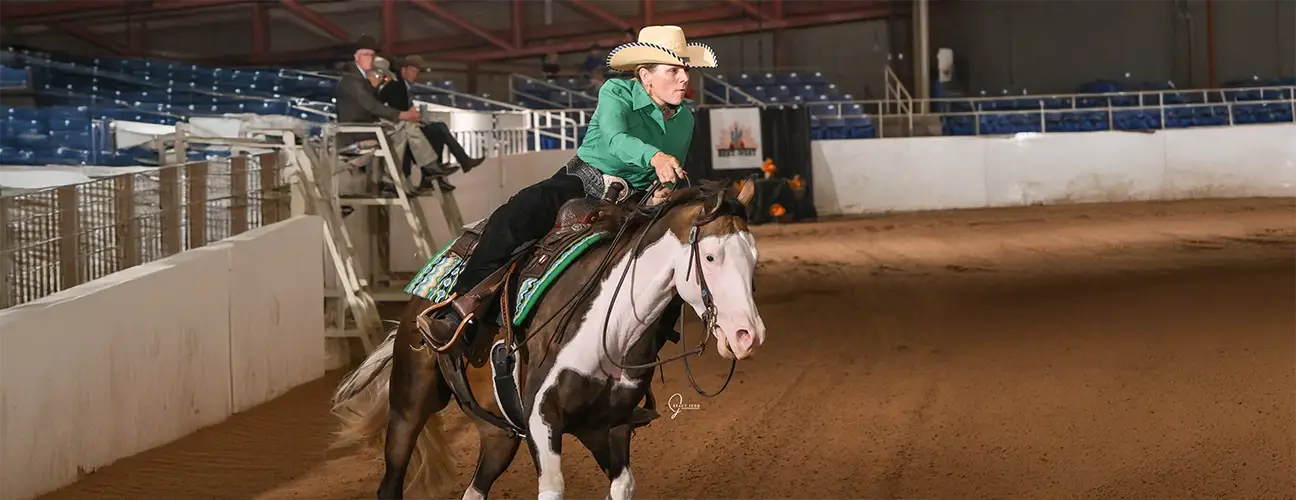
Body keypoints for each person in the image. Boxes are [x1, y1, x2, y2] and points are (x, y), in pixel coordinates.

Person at [423, 25, 718, 358]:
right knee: (517, 215)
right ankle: (461, 308)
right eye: (673, 70)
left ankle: (645, 345)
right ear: (645, 75)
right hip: (585, 181)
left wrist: (665, 189)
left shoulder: (685, 120)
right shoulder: (616, 92)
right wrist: (655, 156)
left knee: (676, 254)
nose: (684, 78)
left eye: (685, 69)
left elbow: (670, 170)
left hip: (639, 199)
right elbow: (614, 139)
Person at [334, 35, 452, 193]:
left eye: (371, 55)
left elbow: (372, 105)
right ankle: (428, 167)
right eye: (365, 54)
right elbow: (372, 106)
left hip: (366, 126)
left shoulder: (361, 79)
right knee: (403, 125)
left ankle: (404, 176)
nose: (369, 59)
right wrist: (402, 115)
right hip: (355, 131)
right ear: (356, 57)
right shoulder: (352, 81)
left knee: (404, 128)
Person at [379, 55, 483, 192]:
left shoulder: (403, 87)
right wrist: (414, 117)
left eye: (416, 72)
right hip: (401, 129)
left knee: (437, 131)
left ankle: (434, 174)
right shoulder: (396, 86)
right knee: (438, 130)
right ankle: (439, 171)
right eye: (412, 71)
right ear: (403, 70)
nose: (415, 75)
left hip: (406, 126)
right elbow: (400, 112)